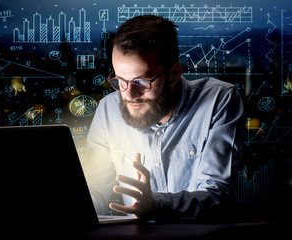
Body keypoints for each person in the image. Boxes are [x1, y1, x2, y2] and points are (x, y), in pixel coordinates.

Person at [82, 15, 244, 222]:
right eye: (120, 80)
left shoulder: (219, 100)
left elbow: (219, 195)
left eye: (141, 81)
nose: (129, 94)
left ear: (174, 73)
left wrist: (156, 204)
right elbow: (96, 189)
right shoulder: (107, 110)